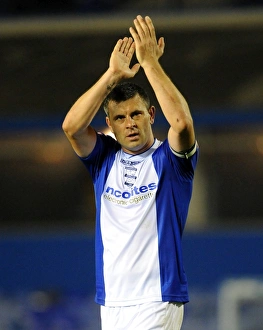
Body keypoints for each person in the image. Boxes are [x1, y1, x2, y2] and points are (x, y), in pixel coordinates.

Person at [62, 15, 199, 330]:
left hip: (158, 298)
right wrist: (111, 75)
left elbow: (182, 124)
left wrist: (149, 63)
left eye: (137, 114)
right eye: (121, 118)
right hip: (112, 301)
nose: (130, 123)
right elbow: (72, 127)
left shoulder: (171, 160)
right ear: (110, 125)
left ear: (151, 115)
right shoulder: (104, 160)